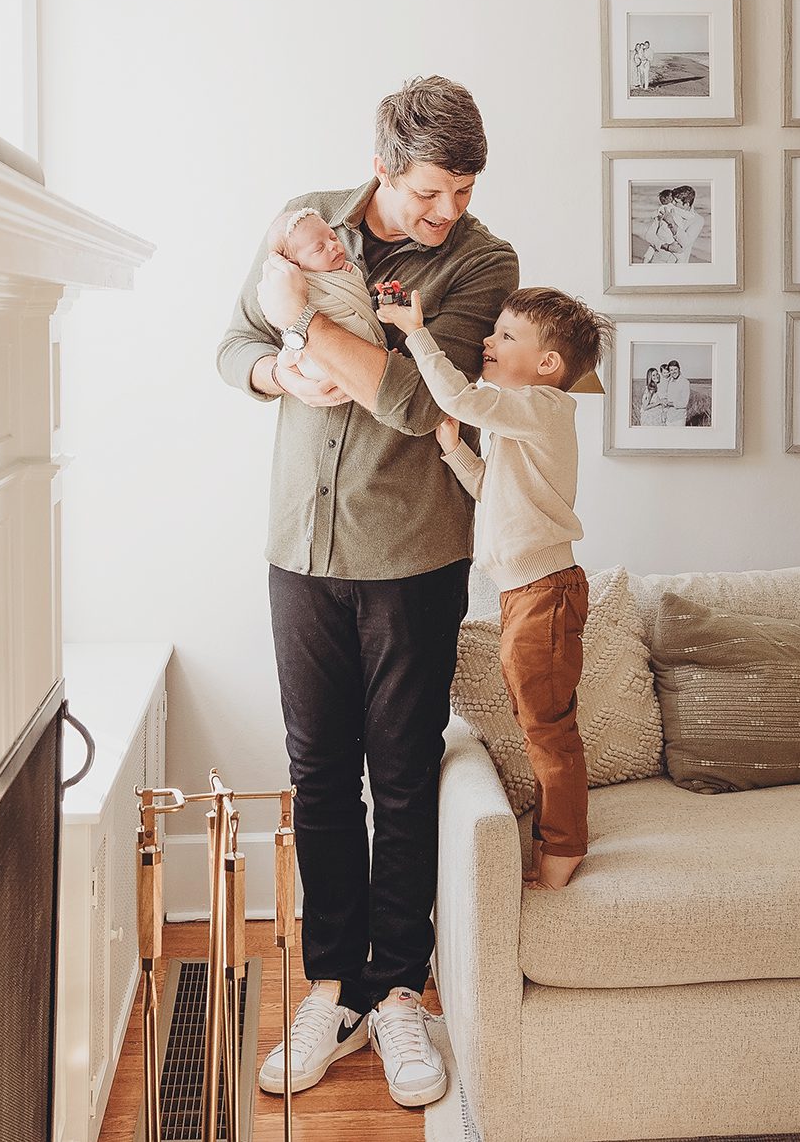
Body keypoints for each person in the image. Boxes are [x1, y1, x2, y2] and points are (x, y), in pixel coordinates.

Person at [216, 76, 518, 1110]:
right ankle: (335, 987)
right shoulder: (306, 222)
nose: (450, 212)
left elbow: (408, 398)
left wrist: (307, 335)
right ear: (383, 167)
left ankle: (400, 991)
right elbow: (231, 346)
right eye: (433, 192)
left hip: (414, 557)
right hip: (298, 548)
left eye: (463, 190)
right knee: (316, 770)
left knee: (401, 772)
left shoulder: (485, 263)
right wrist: (278, 373)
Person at [376, 287, 612, 889]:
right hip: (523, 593)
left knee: (547, 728)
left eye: (507, 336)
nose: (488, 340)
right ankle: (556, 836)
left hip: (543, 593)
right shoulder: (523, 418)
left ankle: (564, 847)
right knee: (538, 721)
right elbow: (494, 492)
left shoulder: (541, 406)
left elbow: (457, 395)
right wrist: (455, 453)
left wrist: (416, 331)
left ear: (548, 365)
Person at [266, 208, 383, 382]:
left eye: (333, 237)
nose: (333, 245)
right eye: (319, 248)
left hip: (363, 366)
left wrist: (348, 275)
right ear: (294, 264)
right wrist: (279, 380)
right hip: (319, 361)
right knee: (357, 332)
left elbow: (358, 297)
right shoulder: (295, 283)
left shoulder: (340, 268)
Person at [660, 359, 692, 425]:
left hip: (679, 418)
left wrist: (669, 403)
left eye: (675, 369)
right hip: (668, 418)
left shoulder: (685, 382)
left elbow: (684, 403)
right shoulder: (669, 381)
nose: (673, 372)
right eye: (671, 370)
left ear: (679, 369)